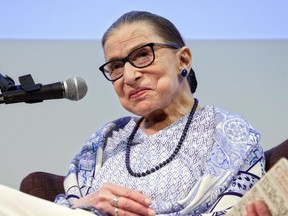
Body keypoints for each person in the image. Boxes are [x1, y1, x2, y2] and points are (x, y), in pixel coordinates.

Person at [0, 10, 272, 216]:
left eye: (142, 54)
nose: (128, 76)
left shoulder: (228, 132)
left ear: (183, 60)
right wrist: (88, 203)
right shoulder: (106, 139)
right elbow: (66, 209)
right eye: (116, 66)